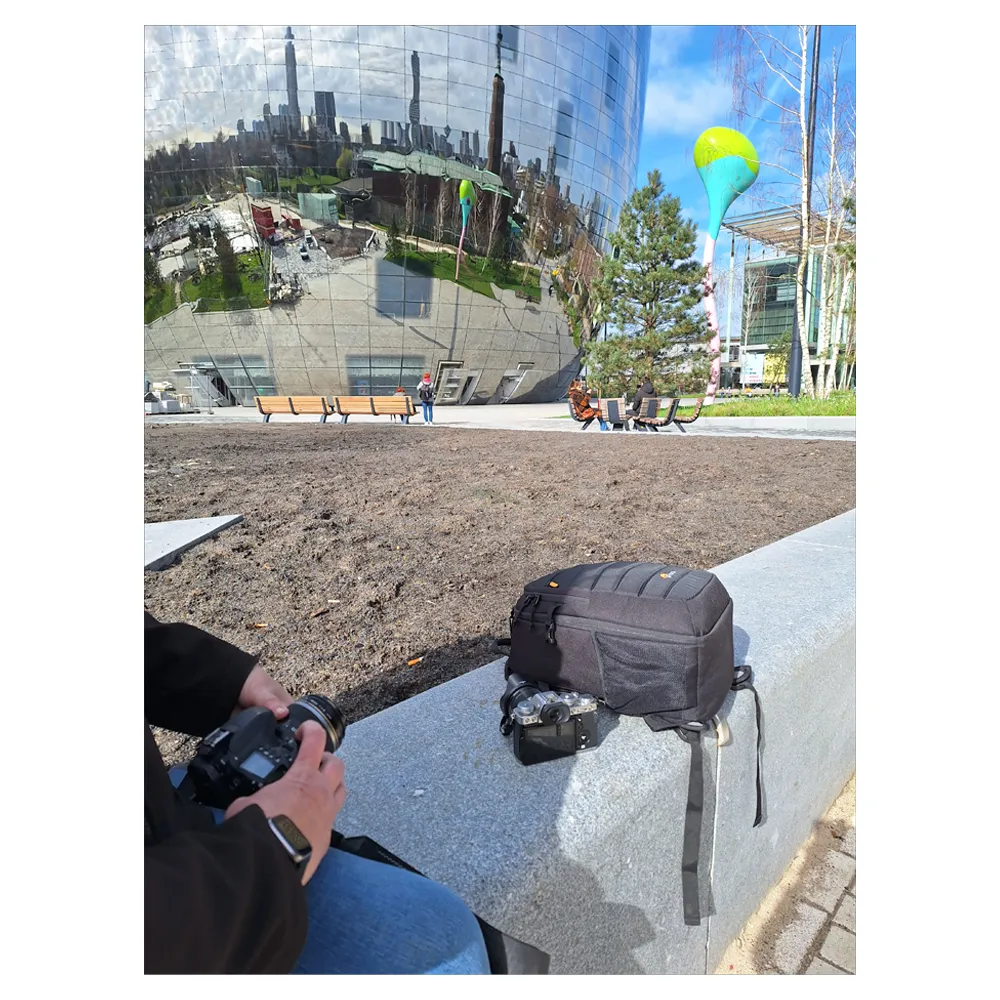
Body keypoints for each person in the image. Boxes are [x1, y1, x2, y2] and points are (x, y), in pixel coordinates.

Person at [145, 610, 490, 974]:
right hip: (196, 909)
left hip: (173, 835)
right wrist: (279, 844)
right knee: (444, 943)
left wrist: (220, 679)